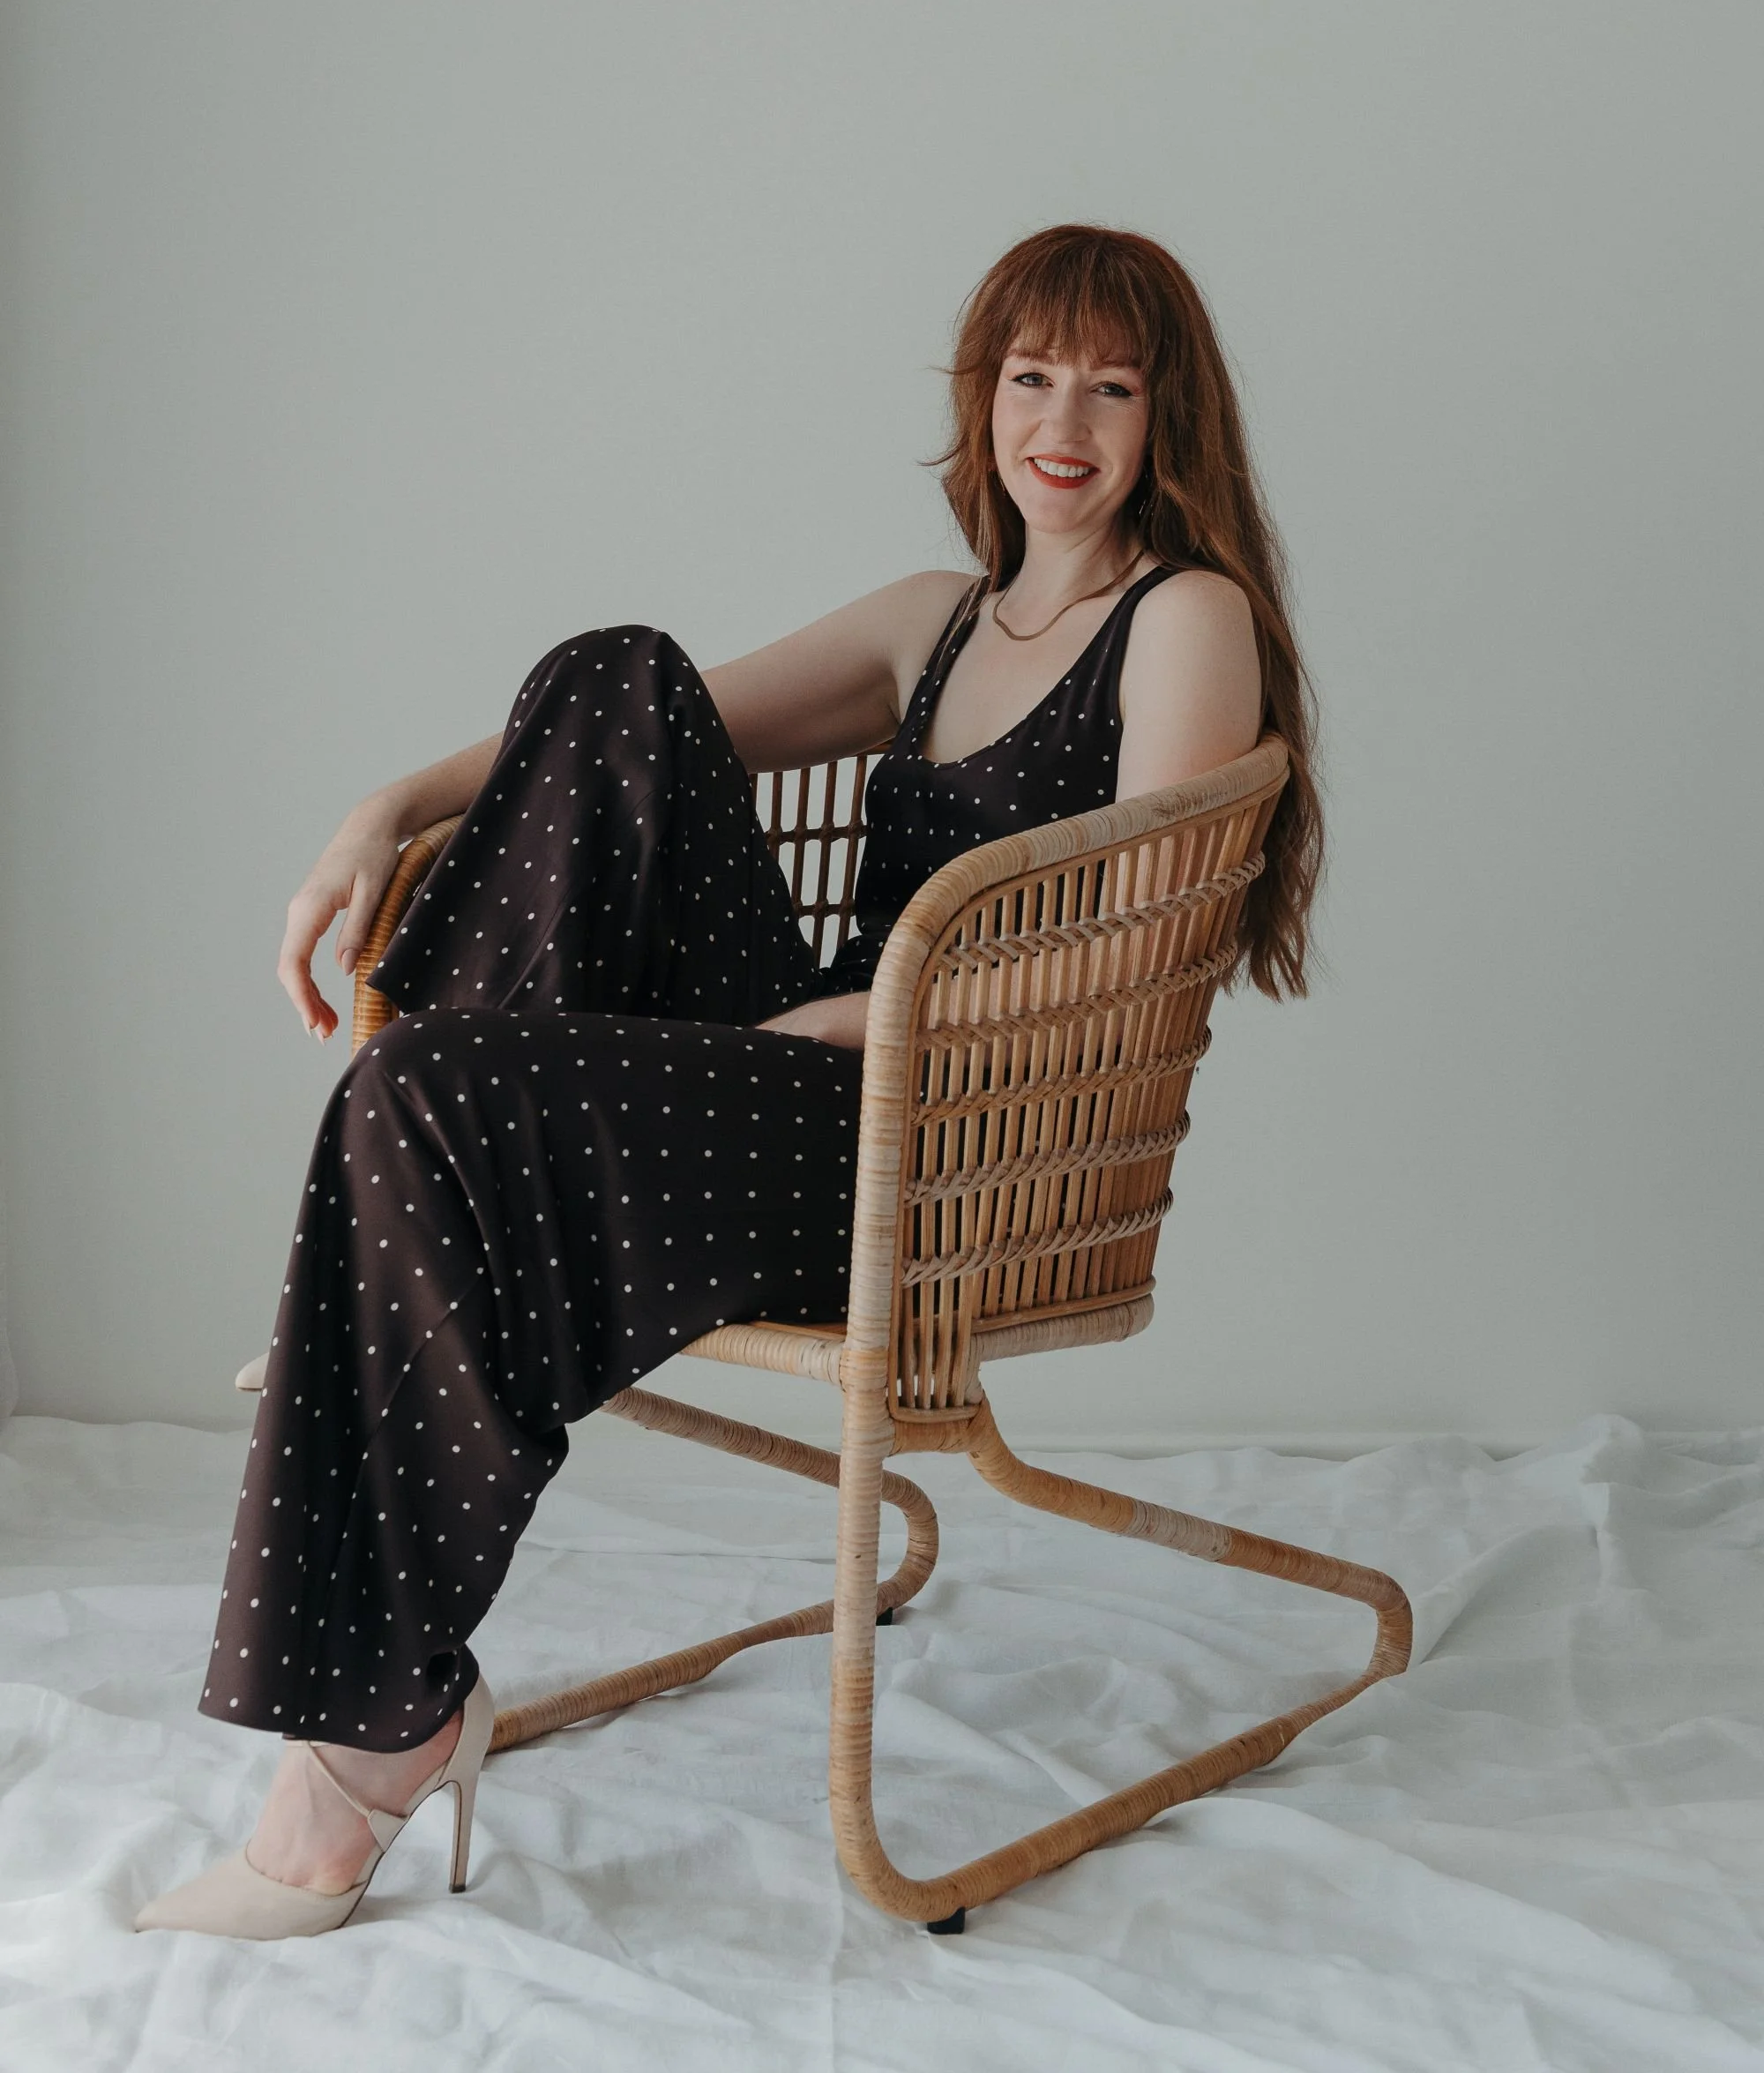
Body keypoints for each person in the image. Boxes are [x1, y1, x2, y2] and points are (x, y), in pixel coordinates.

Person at [135, 223, 1321, 1937]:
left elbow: (1133, 953)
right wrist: (385, 805)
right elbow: (638, 725)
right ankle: (395, 1271)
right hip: (788, 1094)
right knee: (609, 675)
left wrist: (848, 1031)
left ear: (1168, 416)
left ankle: (362, 1732)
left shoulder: (1182, 619)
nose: (1064, 419)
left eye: (1112, 385)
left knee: (430, 1104)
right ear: (980, 398)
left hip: (936, 1143)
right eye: (1029, 374)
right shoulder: (933, 618)